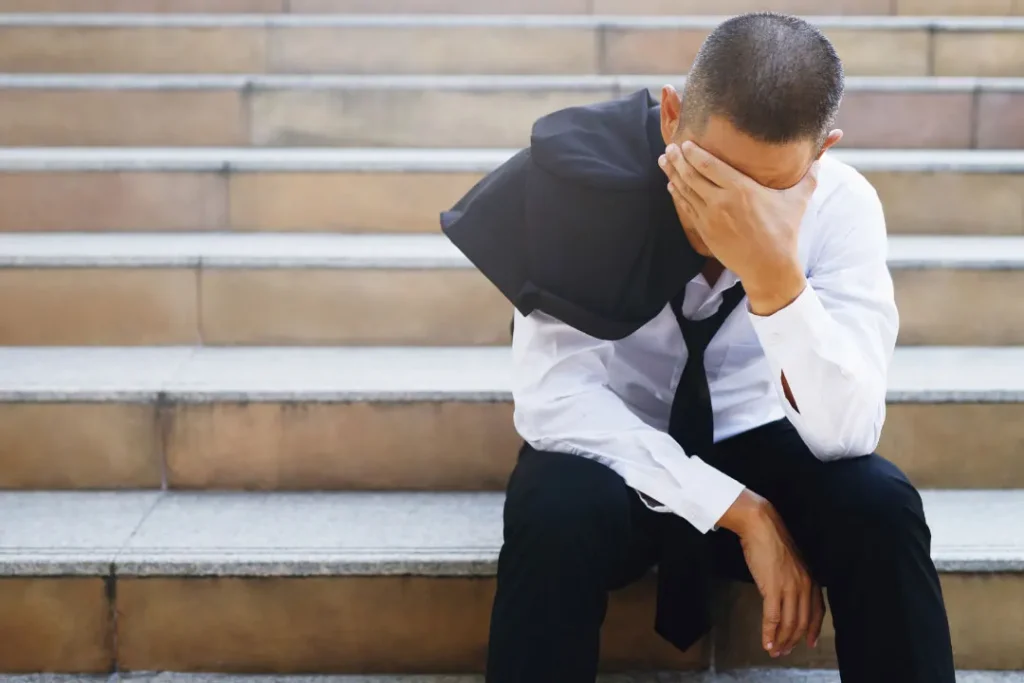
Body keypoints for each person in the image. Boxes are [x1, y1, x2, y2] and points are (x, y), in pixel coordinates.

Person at [442, 12, 955, 683]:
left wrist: (776, 279)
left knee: (881, 504)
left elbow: (847, 433)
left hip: (765, 439)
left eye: (765, 187)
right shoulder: (583, 186)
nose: (729, 209)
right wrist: (738, 509)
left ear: (820, 154)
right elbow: (555, 403)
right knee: (556, 505)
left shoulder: (843, 207)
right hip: (622, 460)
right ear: (671, 114)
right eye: (713, 172)